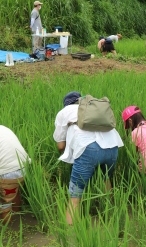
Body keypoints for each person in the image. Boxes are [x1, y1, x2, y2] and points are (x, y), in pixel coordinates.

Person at [53, 91, 123, 225]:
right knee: (105, 178)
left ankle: (70, 236)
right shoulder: (94, 107)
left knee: (75, 197)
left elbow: (61, 145)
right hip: (112, 146)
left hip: (88, 149)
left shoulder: (65, 111)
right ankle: (112, 219)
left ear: (67, 104)